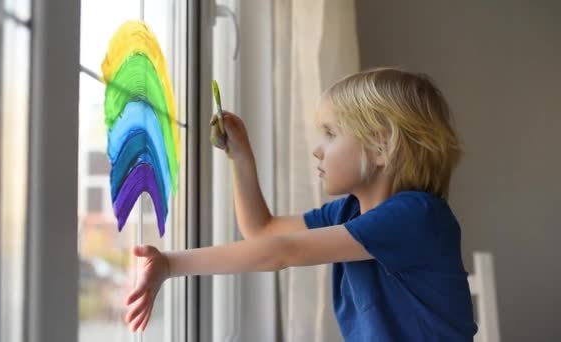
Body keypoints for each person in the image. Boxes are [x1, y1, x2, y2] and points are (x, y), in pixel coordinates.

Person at [124, 68, 477, 341]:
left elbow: (280, 251)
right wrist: (241, 155)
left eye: (331, 134)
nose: (318, 149)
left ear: (381, 147)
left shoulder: (417, 216)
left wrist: (171, 263)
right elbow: (261, 231)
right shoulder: (348, 213)